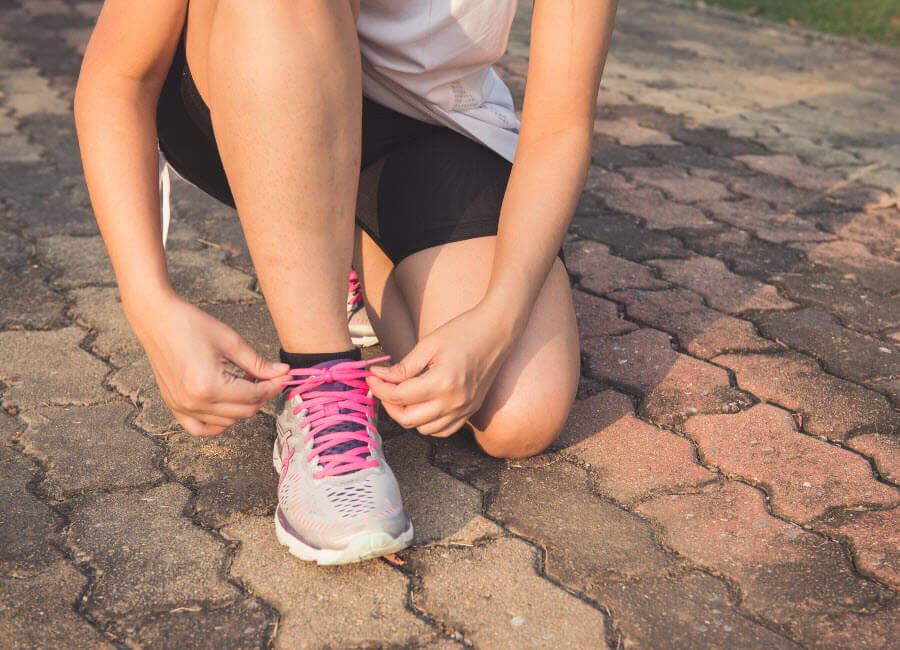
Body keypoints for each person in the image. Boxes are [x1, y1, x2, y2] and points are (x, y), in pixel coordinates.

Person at [74, 0, 618, 564]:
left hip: (427, 123)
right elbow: (118, 78)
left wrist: (499, 319)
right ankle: (321, 380)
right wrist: (149, 302)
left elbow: (561, 124)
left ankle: (335, 245)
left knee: (518, 414)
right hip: (250, 68)